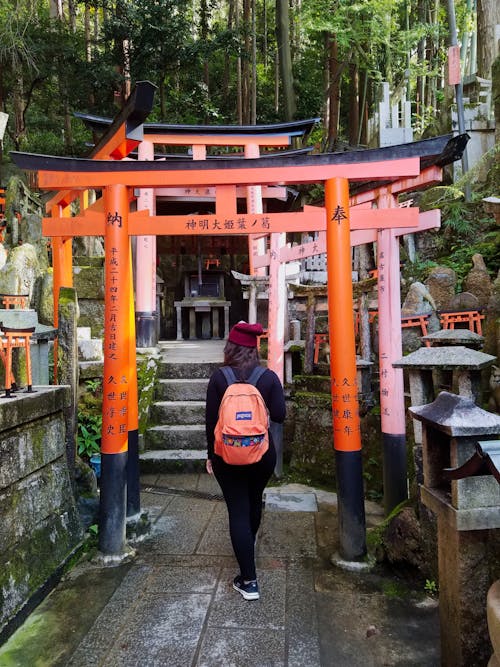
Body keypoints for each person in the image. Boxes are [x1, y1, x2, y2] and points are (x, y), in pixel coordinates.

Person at [205, 321, 286, 600]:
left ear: (230, 348)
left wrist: (210, 456)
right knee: (253, 500)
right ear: (254, 349)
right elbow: (279, 415)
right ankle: (246, 548)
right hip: (262, 454)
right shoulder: (268, 377)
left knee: (237, 509)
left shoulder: (219, 377)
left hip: (226, 455)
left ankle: (249, 580)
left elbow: (210, 422)